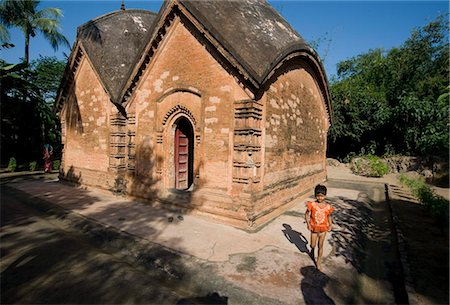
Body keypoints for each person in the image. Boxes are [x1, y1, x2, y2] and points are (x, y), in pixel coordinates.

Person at [305, 184, 334, 271]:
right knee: (312, 244)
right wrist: (308, 224)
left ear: (325, 195)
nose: (320, 198)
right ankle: (312, 250)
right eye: (318, 196)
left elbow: (328, 216)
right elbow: (306, 214)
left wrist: (330, 224)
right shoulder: (312, 205)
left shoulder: (328, 207)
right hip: (314, 229)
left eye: (322, 196)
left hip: (323, 229)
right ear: (315, 195)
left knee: (320, 245)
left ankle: (318, 261)